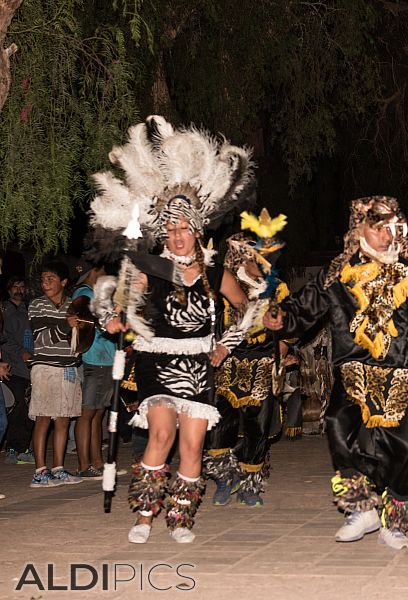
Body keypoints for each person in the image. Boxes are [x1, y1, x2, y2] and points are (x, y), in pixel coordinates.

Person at [262, 195, 408, 550]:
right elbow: (304, 308)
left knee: (405, 449)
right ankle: (360, 508)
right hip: (354, 369)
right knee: (339, 427)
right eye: (378, 229)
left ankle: (393, 521)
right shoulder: (337, 273)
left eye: (392, 228)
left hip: (405, 371)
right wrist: (282, 318)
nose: (387, 236)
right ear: (359, 229)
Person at [89, 116, 258, 544]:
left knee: (192, 446)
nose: (177, 235)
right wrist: (110, 317)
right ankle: (145, 514)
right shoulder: (149, 267)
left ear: (197, 230)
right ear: (162, 229)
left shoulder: (216, 270)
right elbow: (110, 293)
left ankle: (181, 518)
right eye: (170, 227)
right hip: (155, 360)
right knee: (161, 435)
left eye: (184, 228)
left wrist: (227, 344)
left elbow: (249, 307)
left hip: (199, 364)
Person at [204, 211, 290, 507]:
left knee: (258, 425)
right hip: (228, 361)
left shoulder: (277, 287)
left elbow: (286, 327)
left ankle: (250, 483)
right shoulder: (225, 286)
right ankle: (224, 478)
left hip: (263, 362)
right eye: (255, 257)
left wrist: (284, 349)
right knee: (219, 424)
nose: (261, 263)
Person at [27, 262, 84, 488]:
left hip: (69, 367)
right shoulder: (37, 305)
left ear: (63, 282)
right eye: (43, 279)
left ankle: (58, 468)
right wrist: (66, 325)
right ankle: (40, 471)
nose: (45, 283)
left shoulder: (74, 306)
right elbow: (41, 338)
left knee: (63, 418)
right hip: (45, 368)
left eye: (50, 278)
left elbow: (82, 339)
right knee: (43, 417)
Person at [72, 263, 120, 479]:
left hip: (106, 357)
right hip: (95, 357)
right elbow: (77, 323)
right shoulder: (84, 293)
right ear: (95, 271)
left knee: (98, 412)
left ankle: (98, 463)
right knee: (88, 412)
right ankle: (84, 465)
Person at [2, 277, 34, 465]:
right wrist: (20, 352)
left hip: (30, 367)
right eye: (15, 286)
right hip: (12, 367)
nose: (19, 290)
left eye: (22, 286)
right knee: (17, 405)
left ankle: (23, 447)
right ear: (9, 289)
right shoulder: (4, 310)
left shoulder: (29, 309)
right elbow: (4, 339)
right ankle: (13, 447)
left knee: (31, 407)